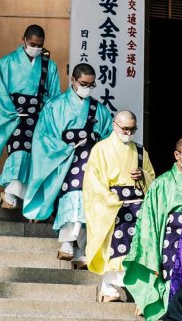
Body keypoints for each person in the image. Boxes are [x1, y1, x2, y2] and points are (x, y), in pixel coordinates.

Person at [22, 63, 112, 269]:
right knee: (74, 192)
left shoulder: (100, 109)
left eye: (91, 84)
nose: (87, 88)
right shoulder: (55, 106)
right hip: (63, 160)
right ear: (73, 80)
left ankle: (77, 245)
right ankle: (68, 241)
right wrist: (66, 149)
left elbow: (107, 138)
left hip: (91, 161)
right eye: (83, 83)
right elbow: (44, 137)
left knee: (86, 197)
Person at [0, 24, 61, 210]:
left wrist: (47, 116)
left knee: (35, 155)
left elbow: (53, 96)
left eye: (40, 46)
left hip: (38, 117)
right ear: (24, 40)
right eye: (33, 44)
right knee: (20, 149)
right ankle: (13, 192)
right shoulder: (6, 63)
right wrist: (11, 112)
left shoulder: (49, 66)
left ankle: (16, 195)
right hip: (15, 116)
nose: (36, 48)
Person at [124, 137, 182, 321]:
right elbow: (150, 219)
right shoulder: (162, 182)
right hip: (170, 238)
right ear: (177, 155)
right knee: (171, 273)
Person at [83, 110, 156, 302]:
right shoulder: (100, 149)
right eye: (125, 128)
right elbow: (93, 180)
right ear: (114, 125)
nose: (129, 133)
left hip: (138, 204)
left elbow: (152, 178)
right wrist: (109, 199)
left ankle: (137, 287)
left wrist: (143, 175)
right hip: (113, 204)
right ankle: (108, 288)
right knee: (115, 246)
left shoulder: (140, 151)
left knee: (137, 247)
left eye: (133, 129)